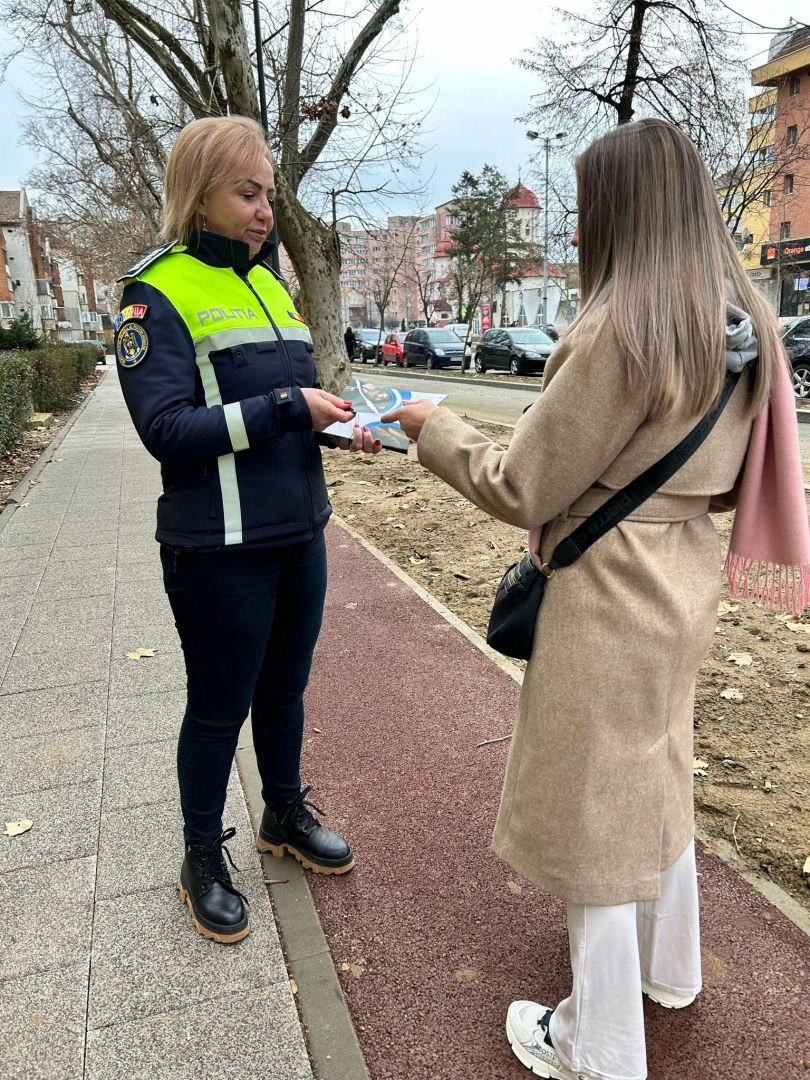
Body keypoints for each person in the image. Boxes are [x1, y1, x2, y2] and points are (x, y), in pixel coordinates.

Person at [383, 119, 810, 1080]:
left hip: (609, 590)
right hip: (684, 578)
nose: (580, 228)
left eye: (589, 207)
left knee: (593, 811)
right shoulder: (743, 321)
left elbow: (521, 483)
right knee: (657, 773)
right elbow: (728, 478)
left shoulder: (626, 328)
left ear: (621, 211)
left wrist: (432, 425)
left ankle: (598, 1043)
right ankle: (671, 969)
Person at [115, 115, 381, 946]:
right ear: (200, 194)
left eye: (269, 193)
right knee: (217, 708)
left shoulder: (269, 285)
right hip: (217, 552)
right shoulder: (155, 292)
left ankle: (282, 813)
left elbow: (287, 411)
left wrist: (337, 426)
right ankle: (201, 856)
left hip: (299, 535)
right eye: (248, 193)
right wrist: (285, 406)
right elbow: (166, 430)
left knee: (286, 690)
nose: (266, 210)